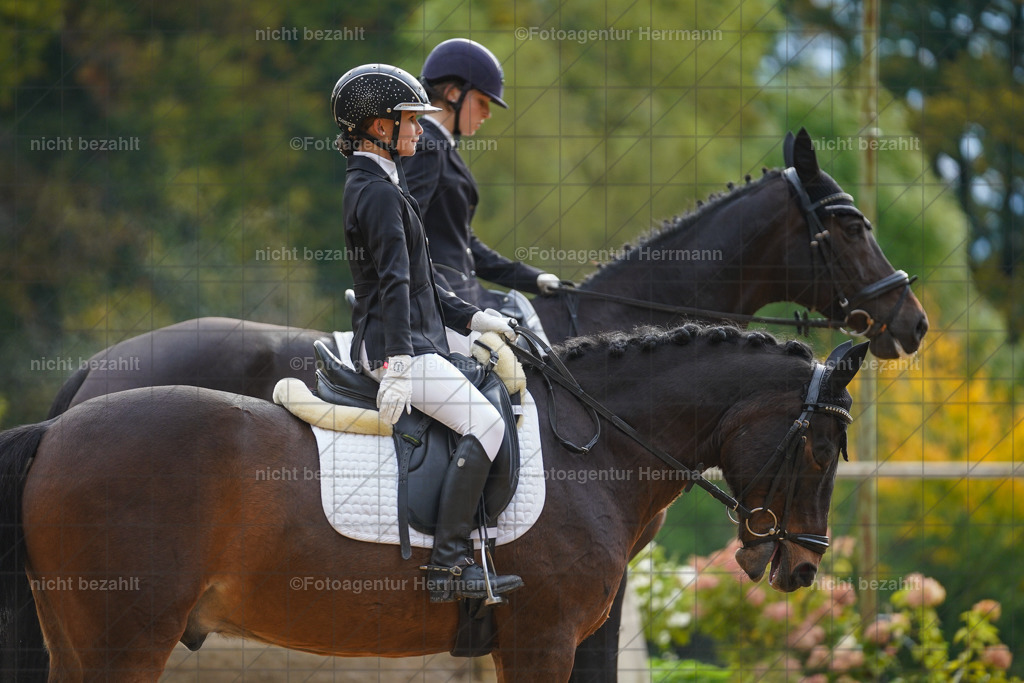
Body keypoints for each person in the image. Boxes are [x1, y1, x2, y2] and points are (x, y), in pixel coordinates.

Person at [331, 63, 523, 602]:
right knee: (485, 425)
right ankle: (448, 566)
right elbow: (393, 284)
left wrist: (476, 318)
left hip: (413, 343)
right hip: (398, 349)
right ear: (377, 127)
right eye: (411, 120)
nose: (420, 128)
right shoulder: (376, 194)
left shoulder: (385, 186)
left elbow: (424, 283)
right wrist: (396, 366)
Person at [405, 39, 561, 345]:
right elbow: (407, 236)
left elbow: (464, 242)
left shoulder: (443, 149)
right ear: (452, 93)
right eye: (482, 102)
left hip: (464, 292)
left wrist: (532, 278)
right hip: (443, 304)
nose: (487, 113)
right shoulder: (427, 148)